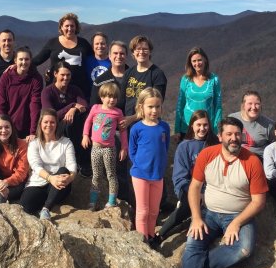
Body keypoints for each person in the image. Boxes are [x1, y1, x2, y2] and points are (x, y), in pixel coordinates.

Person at [180, 117, 268, 268]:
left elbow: (259, 201)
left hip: (239, 215)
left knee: (243, 249)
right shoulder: (207, 155)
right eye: (229, 134)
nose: (234, 138)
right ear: (220, 136)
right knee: (193, 243)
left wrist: (236, 223)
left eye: (237, 134)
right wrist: (196, 218)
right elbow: (195, 187)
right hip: (209, 213)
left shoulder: (252, 161)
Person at [153, 110, 219, 245]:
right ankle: (161, 234)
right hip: (187, 186)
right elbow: (179, 176)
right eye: (198, 125)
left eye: (205, 125)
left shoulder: (215, 144)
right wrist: (196, 191)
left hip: (211, 187)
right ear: (192, 126)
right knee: (191, 202)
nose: (202, 128)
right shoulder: (185, 146)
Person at [89, 40, 130, 202]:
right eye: (115, 53)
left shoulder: (132, 76)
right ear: (110, 56)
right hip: (107, 134)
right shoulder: (102, 80)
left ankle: (126, 201)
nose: (118, 56)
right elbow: (94, 105)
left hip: (130, 128)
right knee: (109, 171)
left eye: (121, 53)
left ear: (126, 56)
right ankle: (114, 200)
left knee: (126, 169)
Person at [129, 88, 170, 243]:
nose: (154, 110)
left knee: (154, 211)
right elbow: (132, 151)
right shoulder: (137, 128)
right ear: (141, 107)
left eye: (157, 106)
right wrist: (140, 164)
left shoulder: (164, 127)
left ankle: (151, 235)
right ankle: (142, 240)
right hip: (140, 175)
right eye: (150, 107)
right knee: (143, 211)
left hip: (157, 175)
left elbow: (164, 149)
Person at [20, 109, 77, 220]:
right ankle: (48, 199)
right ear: (40, 124)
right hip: (38, 182)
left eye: (52, 122)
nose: (49, 125)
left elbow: (72, 166)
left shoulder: (66, 142)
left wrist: (70, 178)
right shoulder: (34, 144)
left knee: (63, 170)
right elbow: (35, 166)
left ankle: (46, 209)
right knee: (25, 206)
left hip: (60, 184)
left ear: (57, 124)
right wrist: (50, 178)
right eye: (46, 122)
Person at [82, 82, 128, 210]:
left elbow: (123, 131)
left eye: (114, 97)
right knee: (96, 175)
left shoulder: (118, 112)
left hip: (109, 149)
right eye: (108, 96)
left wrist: (124, 147)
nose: (112, 100)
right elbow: (88, 121)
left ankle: (112, 200)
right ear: (102, 97)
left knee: (111, 175)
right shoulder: (95, 108)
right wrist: (85, 135)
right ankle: (92, 202)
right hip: (95, 148)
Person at [41, 61, 90, 176]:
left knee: (80, 120)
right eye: (62, 75)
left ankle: (83, 162)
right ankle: (76, 161)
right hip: (53, 127)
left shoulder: (74, 89)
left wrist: (74, 110)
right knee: (68, 122)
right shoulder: (47, 92)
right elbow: (50, 116)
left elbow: (84, 107)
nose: (65, 78)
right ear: (55, 74)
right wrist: (71, 106)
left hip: (73, 128)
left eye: (68, 75)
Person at [31, 12, 93, 99]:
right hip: (56, 89)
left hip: (80, 89)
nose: (70, 28)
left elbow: (94, 59)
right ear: (61, 27)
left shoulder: (83, 43)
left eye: (72, 26)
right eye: (66, 26)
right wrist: (18, 65)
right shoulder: (52, 43)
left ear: (76, 27)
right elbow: (38, 59)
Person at [0, 46, 43, 141]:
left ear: (30, 61)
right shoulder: (6, 77)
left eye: (27, 59)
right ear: (15, 61)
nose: (24, 62)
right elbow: (1, 104)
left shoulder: (36, 79)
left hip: (27, 128)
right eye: (21, 59)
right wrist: (3, 127)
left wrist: (33, 132)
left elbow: (35, 106)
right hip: (8, 127)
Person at [175, 47, 222, 141]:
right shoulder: (185, 79)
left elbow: (218, 106)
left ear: (205, 60)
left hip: (207, 128)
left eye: (199, 60)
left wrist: (218, 129)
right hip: (187, 127)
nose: (197, 63)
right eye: (194, 61)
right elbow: (180, 105)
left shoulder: (214, 79)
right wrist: (177, 129)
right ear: (190, 63)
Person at [122, 35, 167, 129]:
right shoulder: (128, 73)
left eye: (145, 49)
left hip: (148, 125)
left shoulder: (157, 74)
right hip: (127, 125)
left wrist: (132, 118)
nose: (141, 52)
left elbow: (156, 104)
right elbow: (122, 99)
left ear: (150, 51)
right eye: (138, 49)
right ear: (133, 52)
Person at [229, 90, 275, 159]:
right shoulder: (232, 119)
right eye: (250, 103)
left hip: (258, 161)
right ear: (243, 105)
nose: (253, 107)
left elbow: (275, 147)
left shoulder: (269, 125)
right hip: (234, 158)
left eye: (257, 104)